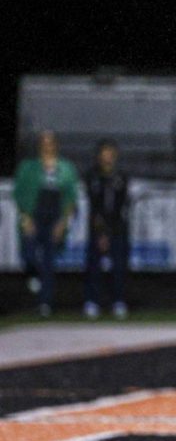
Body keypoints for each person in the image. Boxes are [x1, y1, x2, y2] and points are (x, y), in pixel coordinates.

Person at [13, 131, 79, 317]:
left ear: (56, 145)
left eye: (50, 142)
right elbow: (19, 192)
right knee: (28, 253)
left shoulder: (65, 167)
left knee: (49, 262)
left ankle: (45, 303)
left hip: (54, 215)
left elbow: (70, 196)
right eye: (44, 142)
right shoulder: (28, 167)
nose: (47, 146)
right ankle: (33, 273)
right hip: (34, 214)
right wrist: (25, 217)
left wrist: (63, 222)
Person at [83, 139, 130, 319]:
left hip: (117, 227)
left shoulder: (121, 177)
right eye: (104, 154)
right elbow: (94, 205)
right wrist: (101, 232)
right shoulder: (93, 176)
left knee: (118, 266)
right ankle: (92, 301)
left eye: (110, 154)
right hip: (96, 226)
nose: (107, 158)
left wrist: (111, 230)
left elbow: (121, 204)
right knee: (94, 266)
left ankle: (118, 301)